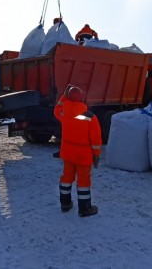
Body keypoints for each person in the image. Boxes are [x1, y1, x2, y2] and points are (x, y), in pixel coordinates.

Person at [54, 84, 102, 217]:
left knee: (66, 177)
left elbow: (57, 108)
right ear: (82, 98)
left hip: (68, 154)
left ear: (69, 99)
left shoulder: (63, 113)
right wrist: (96, 155)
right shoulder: (90, 117)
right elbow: (96, 140)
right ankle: (85, 208)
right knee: (83, 182)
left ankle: (65, 204)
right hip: (83, 156)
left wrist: (64, 95)